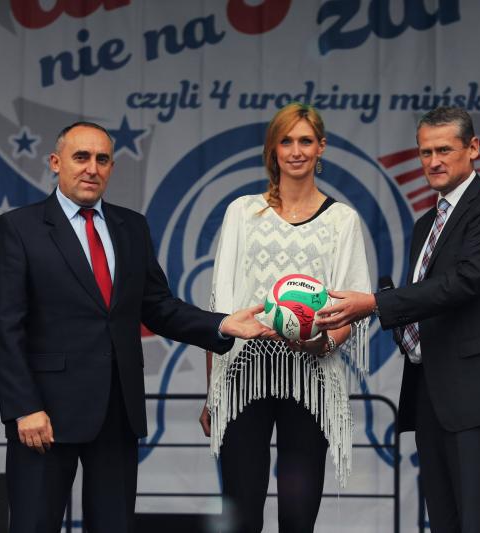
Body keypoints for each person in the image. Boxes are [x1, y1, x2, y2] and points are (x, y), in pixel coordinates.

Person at [0, 122, 272, 533]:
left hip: (117, 412)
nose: (92, 168)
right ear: (56, 163)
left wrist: (222, 324)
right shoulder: (18, 228)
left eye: (102, 159)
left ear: (111, 167)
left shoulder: (131, 227)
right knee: (34, 525)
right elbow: (4, 327)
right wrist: (23, 407)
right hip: (43, 415)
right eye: (81, 157)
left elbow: (158, 307)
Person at [315, 106, 480, 533]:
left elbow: (463, 283)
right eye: (425, 152)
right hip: (432, 395)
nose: (433, 161)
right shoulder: (425, 224)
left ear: (474, 148)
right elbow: (429, 302)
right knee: (443, 523)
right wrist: (398, 323)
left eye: (444, 150)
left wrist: (376, 304)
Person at [199, 103, 371, 533]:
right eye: (286, 141)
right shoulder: (242, 212)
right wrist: (212, 390)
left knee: (298, 517)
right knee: (241, 515)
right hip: (244, 373)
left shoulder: (343, 221)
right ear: (273, 149)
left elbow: (351, 310)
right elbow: (220, 307)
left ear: (321, 147)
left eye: (306, 141)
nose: (296, 151)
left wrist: (320, 342)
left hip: (310, 377)